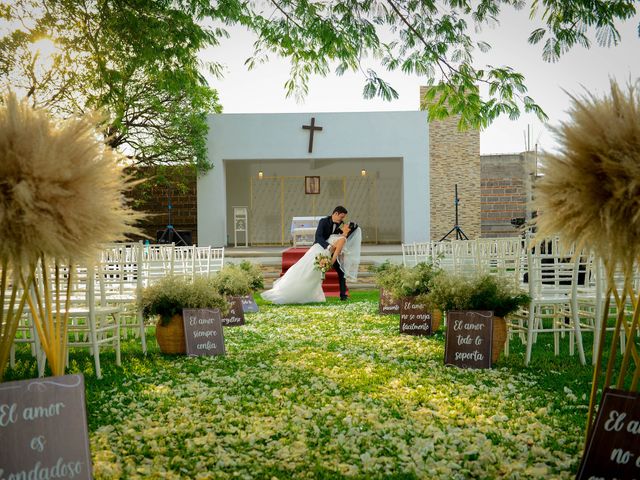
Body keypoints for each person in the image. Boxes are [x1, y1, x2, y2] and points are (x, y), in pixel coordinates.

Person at [261, 207, 362, 304]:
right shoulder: (323, 221)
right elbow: (318, 237)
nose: (342, 219)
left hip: (330, 253)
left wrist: (337, 249)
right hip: (320, 250)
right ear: (335, 214)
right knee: (306, 271)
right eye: (341, 216)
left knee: (340, 272)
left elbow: (341, 238)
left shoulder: (341, 224)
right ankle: (294, 291)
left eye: (344, 217)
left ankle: (343, 295)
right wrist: (328, 247)